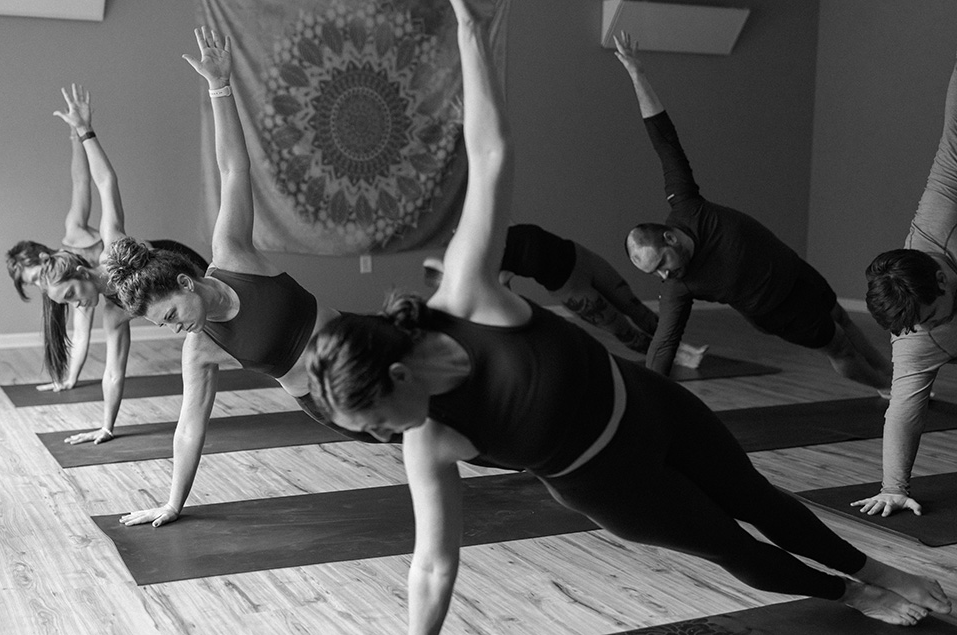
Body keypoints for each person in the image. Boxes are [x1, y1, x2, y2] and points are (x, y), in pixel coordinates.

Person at [303, 9, 950, 631]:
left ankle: (879, 568)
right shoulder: (429, 441)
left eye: (378, 424)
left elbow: (490, 153)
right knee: (736, 549)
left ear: (396, 372)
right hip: (610, 484)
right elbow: (432, 565)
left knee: (763, 501)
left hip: (652, 406)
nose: (386, 439)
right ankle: (854, 593)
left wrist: (471, 33)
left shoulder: (468, 299)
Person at [104, 27, 397, 529]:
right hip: (332, 402)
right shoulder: (200, 349)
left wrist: (220, 86)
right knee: (435, 439)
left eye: (171, 315)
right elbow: (189, 426)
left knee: (464, 399)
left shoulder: (233, 254)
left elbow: (233, 171)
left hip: (366, 346)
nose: (175, 329)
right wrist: (173, 502)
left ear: (185, 284)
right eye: (163, 326)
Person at [613, 35, 893, 392]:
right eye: (656, 272)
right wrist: (648, 397)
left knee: (838, 314)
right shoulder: (679, 286)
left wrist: (637, 73)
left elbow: (665, 142)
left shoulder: (687, 204)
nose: (665, 274)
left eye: (662, 262)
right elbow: (663, 345)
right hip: (777, 310)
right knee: (838, 345)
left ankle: (891, 375)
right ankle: (886, 390)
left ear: (669, 237)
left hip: (794, 271)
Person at [5, 84, 207, 446]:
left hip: (181, 264)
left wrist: (83, 132)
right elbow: (114, 371)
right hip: (167, 296)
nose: (74, 305)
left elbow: (103, 181)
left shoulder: (112, 246)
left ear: (80, 273)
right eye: (64, 301)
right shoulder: (112, 313)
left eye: (70, 294)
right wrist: (106, 426)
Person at [858, 54, 957, 517]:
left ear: (941, 276)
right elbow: (904, 411)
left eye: (929, 316)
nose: (916, 331)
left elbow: (953, 134)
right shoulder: (915, 336)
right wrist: (893, 486)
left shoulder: (943, 215)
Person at [422, 223, 707, 367]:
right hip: (570, 289)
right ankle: (674, 357)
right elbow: (502, 298)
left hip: (582, 258)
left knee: (634, 307)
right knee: (623, 331)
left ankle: (680, 346)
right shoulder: (488, 263)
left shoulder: (494, 226)